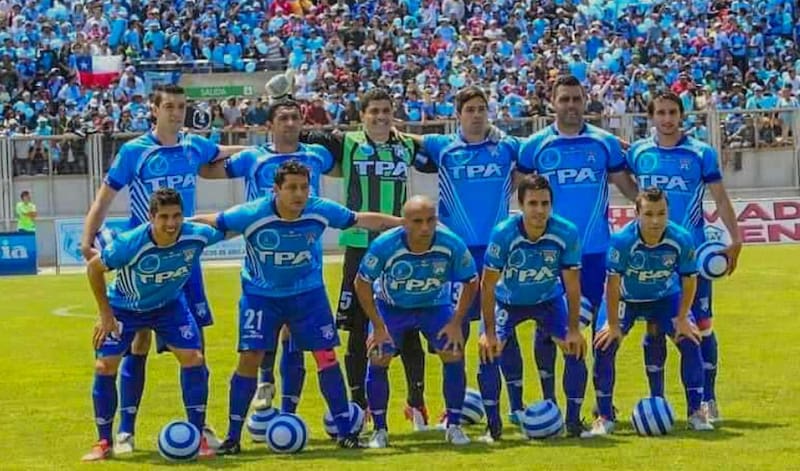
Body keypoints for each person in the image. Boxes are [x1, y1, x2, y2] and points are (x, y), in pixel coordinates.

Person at [79, 84, 247, 454]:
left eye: (182, 106)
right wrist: (87, 238)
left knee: (194, 346)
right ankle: (123, 431)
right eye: (169, 106)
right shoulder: (135, 151)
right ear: (154, 110)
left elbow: (223, 154)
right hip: (142, 261)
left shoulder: (192, 146)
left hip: (185, 261)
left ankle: (198, 428)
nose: (176, 112)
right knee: (136, 345)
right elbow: (104, 197)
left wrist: (261, 152)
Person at [191, 160, 402, 453]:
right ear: (276, 190)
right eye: (291, 187)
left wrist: (405, 223)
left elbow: (362, 219)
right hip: (260, 296)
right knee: (249, 358)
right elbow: (213, 221)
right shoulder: (252, 213)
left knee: (326, 357)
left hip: (308, 295)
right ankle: (233, 438)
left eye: (304, 187)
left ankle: (346, 433)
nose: (299, 194)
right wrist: (172, 226)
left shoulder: (320, 209)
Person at [302, 88, 429, 427]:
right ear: (363, 115)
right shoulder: (348, 143)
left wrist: (409, 133)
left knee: (409, 325)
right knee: (358, 330)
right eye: (374, 111)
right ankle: (360, 405)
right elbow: (307, 135)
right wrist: (333, 131)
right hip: (359, 245)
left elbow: (434, 154)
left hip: (400, 247)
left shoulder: (406, 145)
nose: (380, 116)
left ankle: (416, 403)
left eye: (386, 110)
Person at [518, 75, 638, 433]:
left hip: (597, 257)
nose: (571, 105)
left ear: (586, 102)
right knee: (547, 332)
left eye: (577, 99)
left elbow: (630, 189)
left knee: (603, 335)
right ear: (552, 102)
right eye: (565, 99)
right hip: (551, 257)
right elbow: (520, 195)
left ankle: (604, 410)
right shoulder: (534, 147)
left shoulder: (604, 144)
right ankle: (551, 405)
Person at [200, 98, 335, 414]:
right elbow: (207, 170)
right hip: (262, 259)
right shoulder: (253, 159)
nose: (290, 123)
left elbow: (344, 167)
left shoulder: (317, 156)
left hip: (304, 258)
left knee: (294, 332)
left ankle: (289, 408)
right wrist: (232, 150)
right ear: (269, 126)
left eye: (294, 118)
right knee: (266, 329)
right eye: (283, 118)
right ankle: (264, 380)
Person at [404, 85, 527, 428]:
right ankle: (451, 411)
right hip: (455, 256)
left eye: (481, 108)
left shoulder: (507, 147)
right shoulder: (442, 147)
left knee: (503, 330)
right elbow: (400, 138)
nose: (476, 114)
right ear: (457, 114)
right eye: (469, 109)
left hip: (498, 253)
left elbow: (537, 152)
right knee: (454, 332)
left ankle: (515, 406)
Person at [81, 189, 225, 461]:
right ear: (151, 217)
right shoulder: (130, 243)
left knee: (194, 358)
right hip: (126, 308)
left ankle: (197, 436)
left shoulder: (196, 234)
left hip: (169, 306)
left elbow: (229, 225)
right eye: (164, 217)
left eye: (177, 216)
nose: (171, 224)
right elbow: (93, 268)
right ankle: (103, 441)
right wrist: (105, 314)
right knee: (105, 365)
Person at [625, 92, 742, 424]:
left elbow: (719, 198)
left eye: (672, 112)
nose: (666, 118)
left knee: (702, 327)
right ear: (651, 117)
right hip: (650, 255)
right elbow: (623, 178)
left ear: (682, 115)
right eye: (660, 112)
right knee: (653, 326)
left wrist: (736, 238)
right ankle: (658, 400)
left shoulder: (700, 153)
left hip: (690, 255)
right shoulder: (639, 152)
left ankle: (709, 398)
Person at [354, 195, 479, 448]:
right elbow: (361, 283)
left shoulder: (451, 243)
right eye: (417, 221)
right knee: (379, 355)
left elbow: (472, 280)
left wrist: (456, 322)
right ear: (404, 223)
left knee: (453, 351)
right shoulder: (385, 245)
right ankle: (379, 430)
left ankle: (454, 426)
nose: (425, 227)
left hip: (434, 306)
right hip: (392, 308)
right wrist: (378, 327)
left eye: (430, 220)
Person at [592, 187, 714, 433]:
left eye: (661, 213)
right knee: (604, 344)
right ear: (636, 213)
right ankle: (604, 417)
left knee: (690, 340)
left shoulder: (681, 238)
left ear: (668, 212)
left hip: (665, 297)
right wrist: (613, 325)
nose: (656, 220)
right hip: (627, 298)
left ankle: (696, 413)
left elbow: (690, 280)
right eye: (648, 214)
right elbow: (613, 284)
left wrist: (681, 318)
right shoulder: (622, 241)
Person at [477, 175, 589, 440]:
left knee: (575, 349)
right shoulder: (504, 233)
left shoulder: (566, 232)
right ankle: (493, 429)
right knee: (488, 352)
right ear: (521, 204)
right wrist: (489, 333)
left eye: (545, 203)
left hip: (548, 301)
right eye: (533, 203)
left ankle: (573, 423)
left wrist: (573, 329)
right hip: (508, 301)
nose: (539, 210)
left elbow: (572, 286)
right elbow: (488, 285)